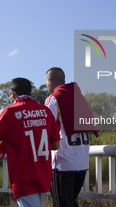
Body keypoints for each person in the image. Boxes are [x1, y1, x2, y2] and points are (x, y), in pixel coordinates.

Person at [0, 77, 60, 207]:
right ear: (31, 94)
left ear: (12, 94)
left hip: (24, 177)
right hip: (43, 175)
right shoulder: (46, 111)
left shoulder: (9, 112)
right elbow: (55, 144)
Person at [44, 67, 98, 207]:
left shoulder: (53, 98)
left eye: (46, 83)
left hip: (63, 162)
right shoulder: (79, 97)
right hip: (81, 161)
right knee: (70, 203)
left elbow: (46, 125)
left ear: (50, 80)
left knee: (61, 204)